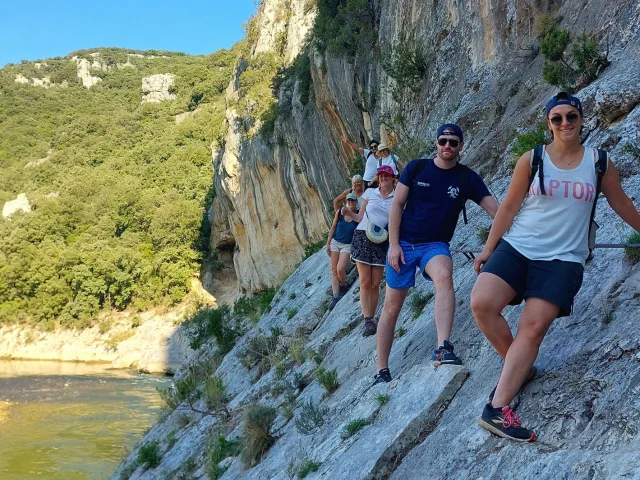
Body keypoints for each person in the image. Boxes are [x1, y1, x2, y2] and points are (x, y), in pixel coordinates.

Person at [471, 92, 640, 443]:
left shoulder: (599, 163)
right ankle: (519, 368)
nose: (565, 123)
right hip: (518, 247)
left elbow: (620, 201)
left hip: (564, 258)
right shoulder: (531, 159)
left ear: (581, 120)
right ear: (549, 123)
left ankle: (498, 407)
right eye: (557, 118)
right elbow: (508, 208)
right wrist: (489, 248)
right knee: (482, 304)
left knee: (532, 329)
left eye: (571, 117)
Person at [373, 123, 500, 385]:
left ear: (461, 146)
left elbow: (496, 211)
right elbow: (397, 204)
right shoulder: (416, 168)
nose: (447, 147)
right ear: (437, 142)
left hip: (435, 245)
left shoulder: (467, 178)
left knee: (444, 275)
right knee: (392, 306)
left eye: (453, 142)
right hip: (404, 243)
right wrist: (394, 245)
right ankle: (381, 369)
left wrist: (521, 228)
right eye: (443, 141)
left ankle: (443, 347)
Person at [342, 165, 396, 335]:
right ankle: (368, 319)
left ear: (393, 177)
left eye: (386, 175)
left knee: (375, 282)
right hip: (363, 236)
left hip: (381, 240)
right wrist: (349, 214)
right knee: (365, 281)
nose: (382, 178)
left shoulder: (398, 197)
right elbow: (359, 217)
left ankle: (371, 317)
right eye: (380, 175)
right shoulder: (369, 193)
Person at [326, 193, 359, 310]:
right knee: (334, 270)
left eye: (352, 201)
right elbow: (333, 227)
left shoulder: (357, 216)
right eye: (349, 201)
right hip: (335, 242)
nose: (350, 203)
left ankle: (344, 284)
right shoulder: (339, 213)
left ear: (356, 203)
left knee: (340, 268)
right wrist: (328, 243)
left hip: (347, 245)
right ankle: (335, 296)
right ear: (346, 202)